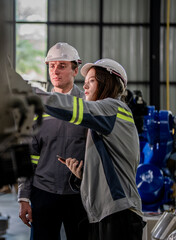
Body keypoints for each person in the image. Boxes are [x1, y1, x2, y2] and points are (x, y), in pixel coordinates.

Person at [36, 58, 145, 240]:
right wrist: (83, 175)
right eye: (85, 83)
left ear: (107, 82)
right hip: (102, 215)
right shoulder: (102, 121)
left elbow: (70, 107)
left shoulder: (114, 108)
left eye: (91, 81)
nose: (85, 88)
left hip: (119, 215)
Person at [18, 42, 88, 240]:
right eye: (51, 66)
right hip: (44, 192)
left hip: (79, 194)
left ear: (75, 70)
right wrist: (23, 197)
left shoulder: (88, 107)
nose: (55, 71)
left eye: (62, 66)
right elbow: (28, 154)